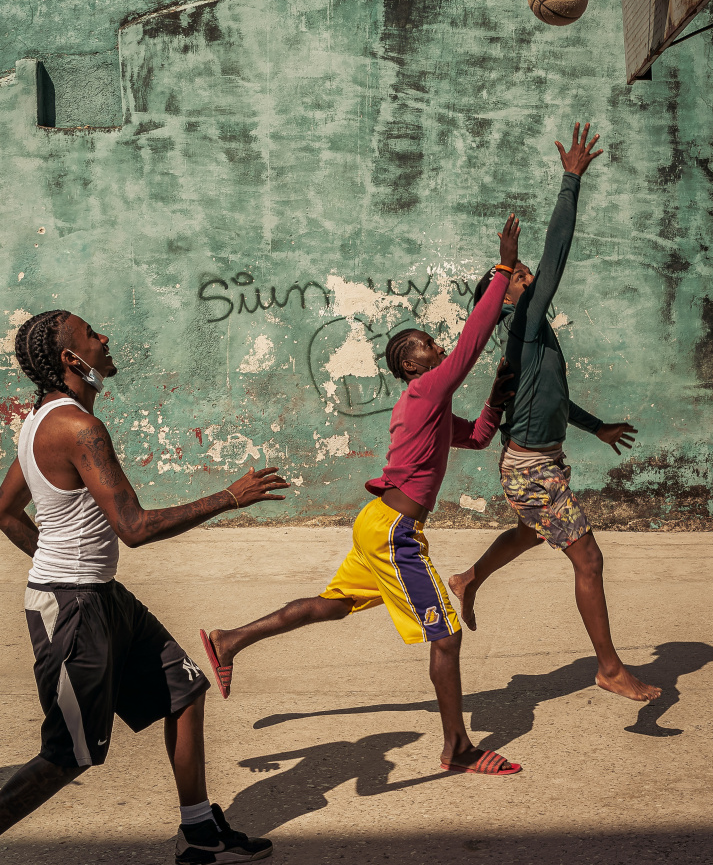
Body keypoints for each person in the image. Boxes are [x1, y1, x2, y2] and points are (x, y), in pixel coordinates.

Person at [201, 215, 522, 776]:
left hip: (379, 523)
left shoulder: (429, 406)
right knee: (445, 635)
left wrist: (494, 398)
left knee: (332, 606)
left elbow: (475, 437)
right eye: (426, 345)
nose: (438, 346)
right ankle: (457, 749)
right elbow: (472, 343)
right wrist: (501, 269)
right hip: (394, 533)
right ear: (409, 365)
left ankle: (229, 640)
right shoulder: (424, 390)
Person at [0, 310, 289, 863]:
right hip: (74, 608)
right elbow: (133, 528)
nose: (104, 338)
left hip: (100, 595)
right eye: (90, 334)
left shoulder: (39, 420)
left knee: (184, 691)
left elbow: (7, 512)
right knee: (68, 756)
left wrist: (63, 561)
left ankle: (200, 831)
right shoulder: (79, 428)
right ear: (70, 359)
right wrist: (227, 498)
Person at [449, 123, 662, 703]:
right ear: (508, 300)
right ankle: (609, 667)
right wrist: (570, 182)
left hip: (540, 462)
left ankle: (468, 579)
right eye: (520, 279)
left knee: (528, 532)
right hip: (529, 470)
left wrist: (597, 427)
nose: (530, 278)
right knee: (587, 558)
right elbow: (556, 253)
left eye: (522, 276)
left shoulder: (533, 338)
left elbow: (552, 401)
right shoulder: (520, 324)